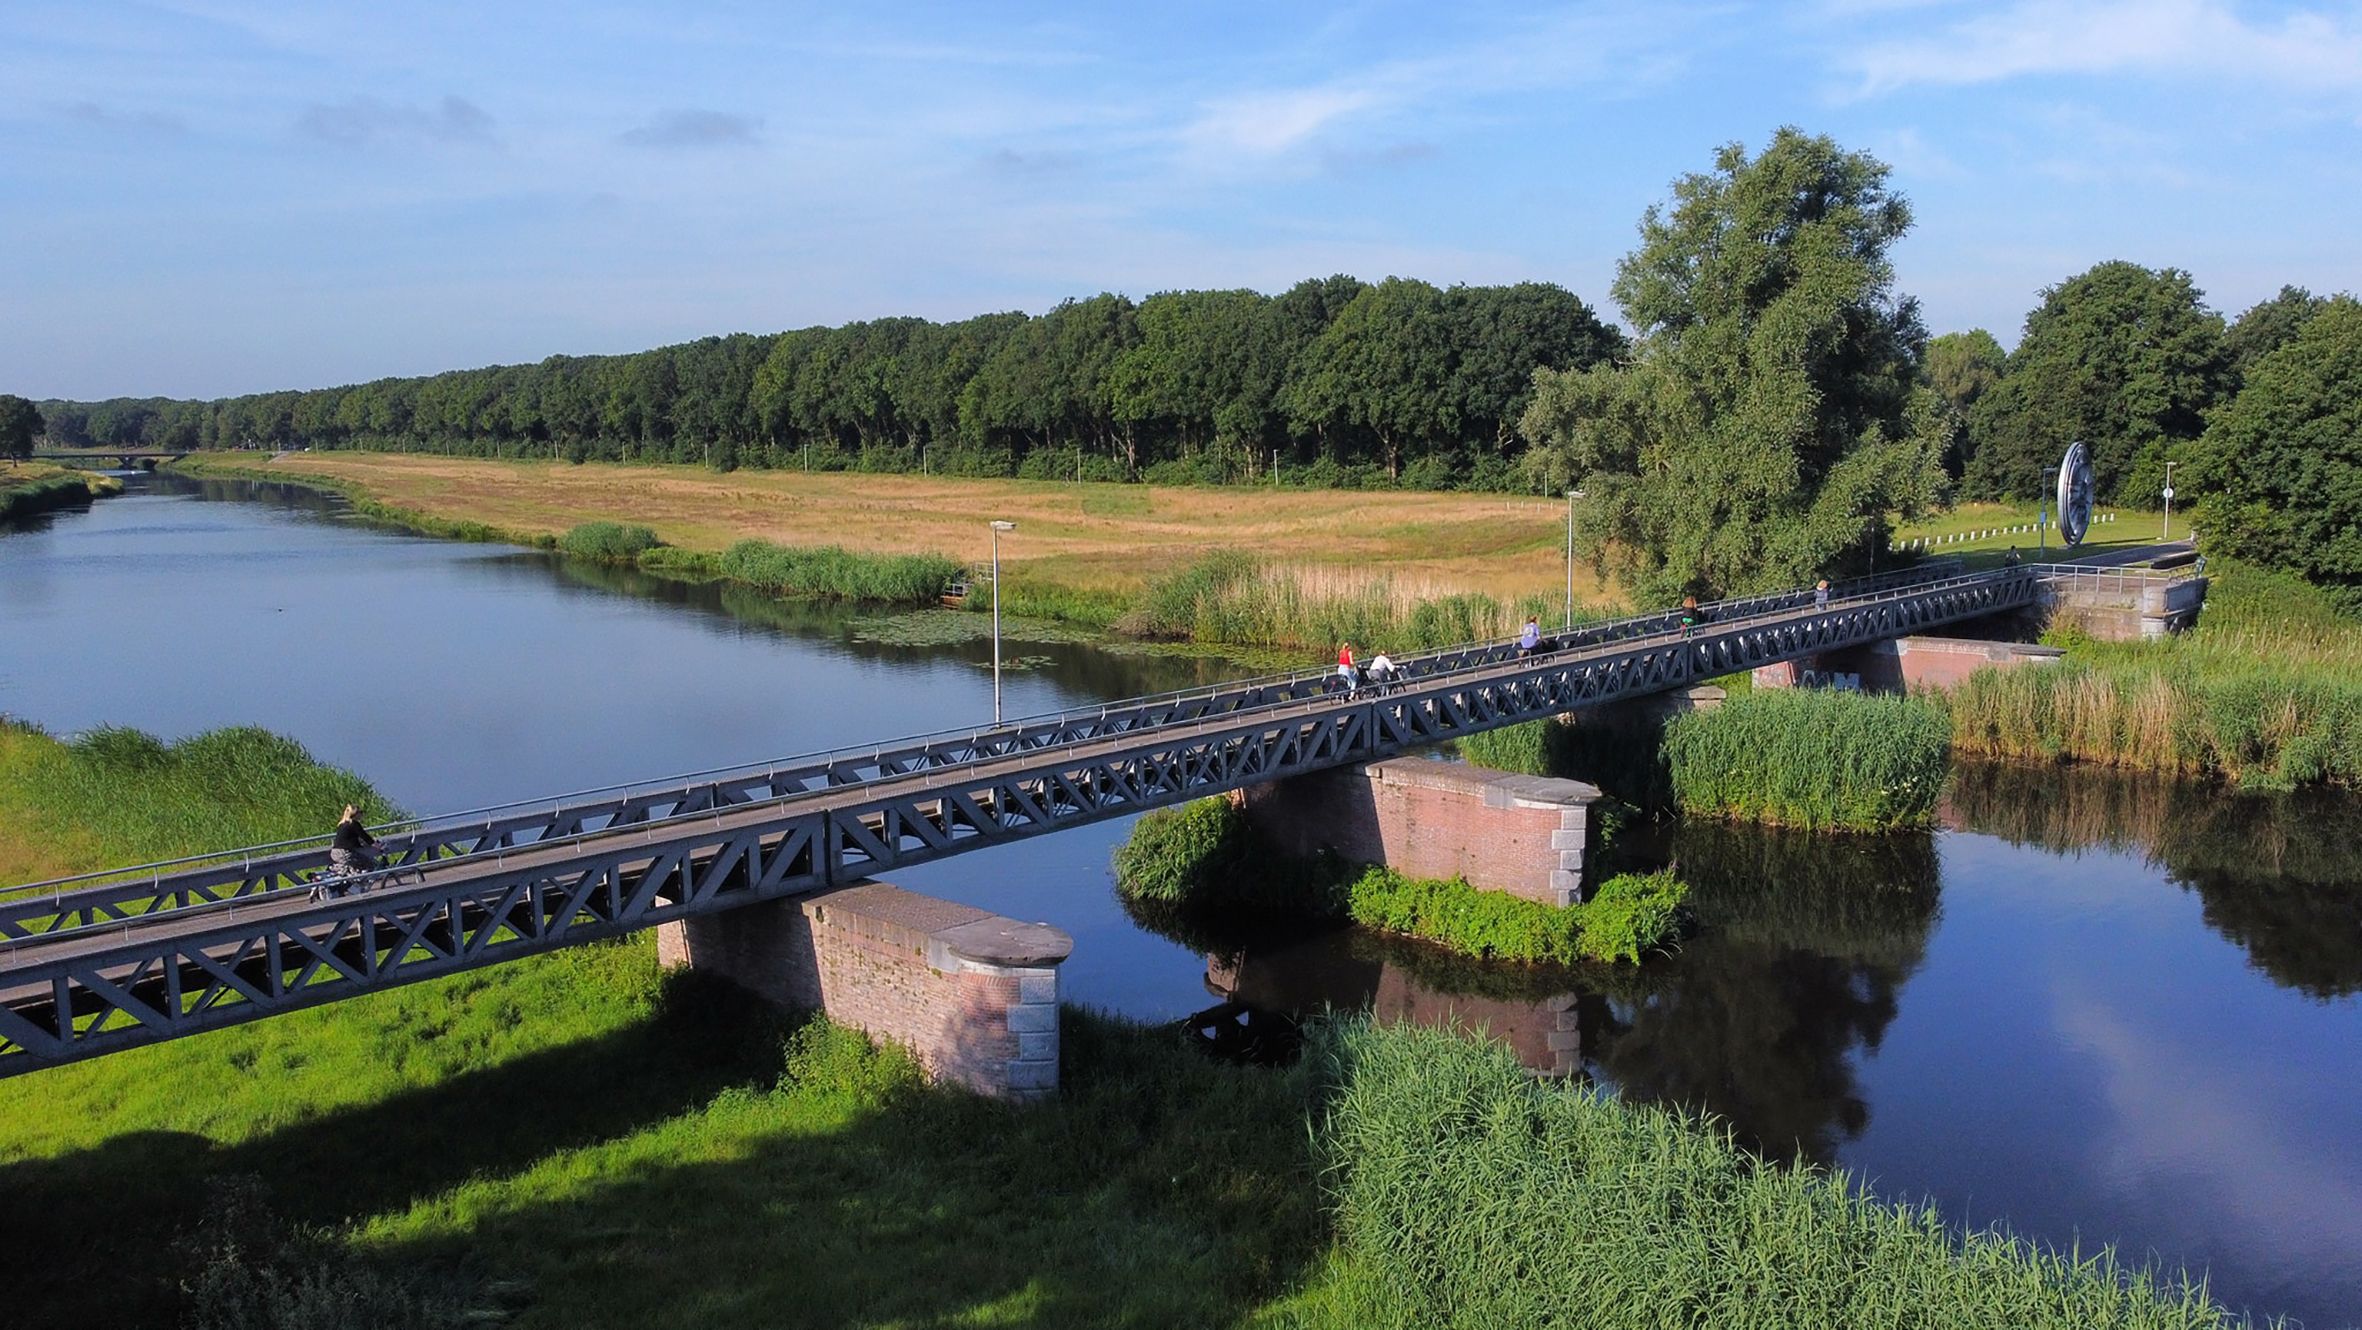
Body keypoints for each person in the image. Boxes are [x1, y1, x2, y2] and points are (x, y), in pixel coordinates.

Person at [330, 804, 380, 875]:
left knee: (356, 867)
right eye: (360, 812)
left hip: (335, 852)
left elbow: (349, 838)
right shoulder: (354, 824)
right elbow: (364, 836)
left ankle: (350, 876)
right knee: (369, 864)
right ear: (355, 814)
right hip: (344, 853)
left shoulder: (342, 824)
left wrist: (361, 843)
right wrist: (376, 845)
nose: (362, 814)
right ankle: (361, 882)